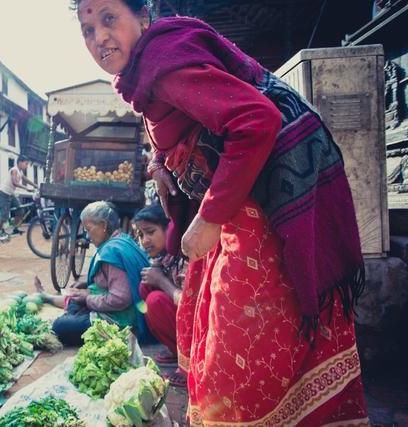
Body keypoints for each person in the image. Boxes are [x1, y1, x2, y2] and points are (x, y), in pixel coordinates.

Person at [73, 1, 369, 425]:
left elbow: (256, 119)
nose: (99, 37)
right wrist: (162, 165)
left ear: (142, 18)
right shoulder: (148, 72)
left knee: (238, 358)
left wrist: (209, 218)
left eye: (108, 18)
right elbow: (192, 126)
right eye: (87, 30)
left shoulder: (162, 63)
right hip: (243, 200)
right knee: (206, 322)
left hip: (261, 203)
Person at [33, 201, 151, 346]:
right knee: (76, 301)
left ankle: (68, 311)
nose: (87, 236)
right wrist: (86, 287)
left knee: (59, 326)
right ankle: (51, 299)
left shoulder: (112, 251)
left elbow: (120, 299)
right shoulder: (123, 239)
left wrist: (87, 298)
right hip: (124, 312)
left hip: (121, 321)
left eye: (88, 229)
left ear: (103, 225)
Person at [133, 204, 189, 388]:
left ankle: (189, 363)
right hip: (183, 322)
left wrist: (162, 281)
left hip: (198, 326)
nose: (145, 240)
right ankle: (176, 350)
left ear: (169, 229)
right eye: (141, 235)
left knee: (155, 300)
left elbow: (189, 306)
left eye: (150, 232)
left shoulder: (185, 256)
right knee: (145, 288)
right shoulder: (164, 256)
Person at [0, 156, 37, 242]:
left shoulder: (20, 172)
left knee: (20, 210)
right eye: (26, 164)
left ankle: (15, 228)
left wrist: (35, 186)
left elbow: (26, 179)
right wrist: (26, 188)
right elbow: (15, 182)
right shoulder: (14, 170)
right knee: (4, 217)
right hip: (4, 194)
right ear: (20, 162)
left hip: (11, 194)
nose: (26, 166)